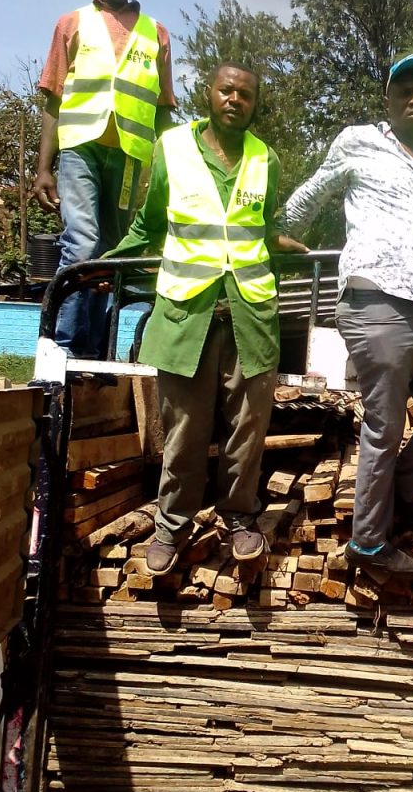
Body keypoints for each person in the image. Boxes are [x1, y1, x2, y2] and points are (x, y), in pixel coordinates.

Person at [276, 54, 413, 579]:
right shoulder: (359, 140)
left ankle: (393, 494)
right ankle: (368, 543)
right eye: (405, 89)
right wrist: (281, 230)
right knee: (384, 427)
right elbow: (313, 191)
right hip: (377, 302)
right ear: (388, 100)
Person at [107, 62, 300, 577]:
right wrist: (106, 265)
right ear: (208, 94)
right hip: (185, 313)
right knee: (184, 429)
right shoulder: (171, 148)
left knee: (248, 427)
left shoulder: (266, 158)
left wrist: (280, 241)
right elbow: (149, 225)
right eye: (227, 90)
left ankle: (240, 517)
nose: (236, 100)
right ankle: (173, 525)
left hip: (250, 313)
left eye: (247, 94)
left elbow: (261, 225)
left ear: (255, 104)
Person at [34, 0, 177, 359]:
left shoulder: (158, 34)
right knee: (82, 242)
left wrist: (175, 174)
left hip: (131, 157)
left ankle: (98, 351)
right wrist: (44, 167)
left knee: (114, 257)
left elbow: (165, 112)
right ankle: (67, 350)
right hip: (80, 146)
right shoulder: (71, 23)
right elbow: (53, 99)